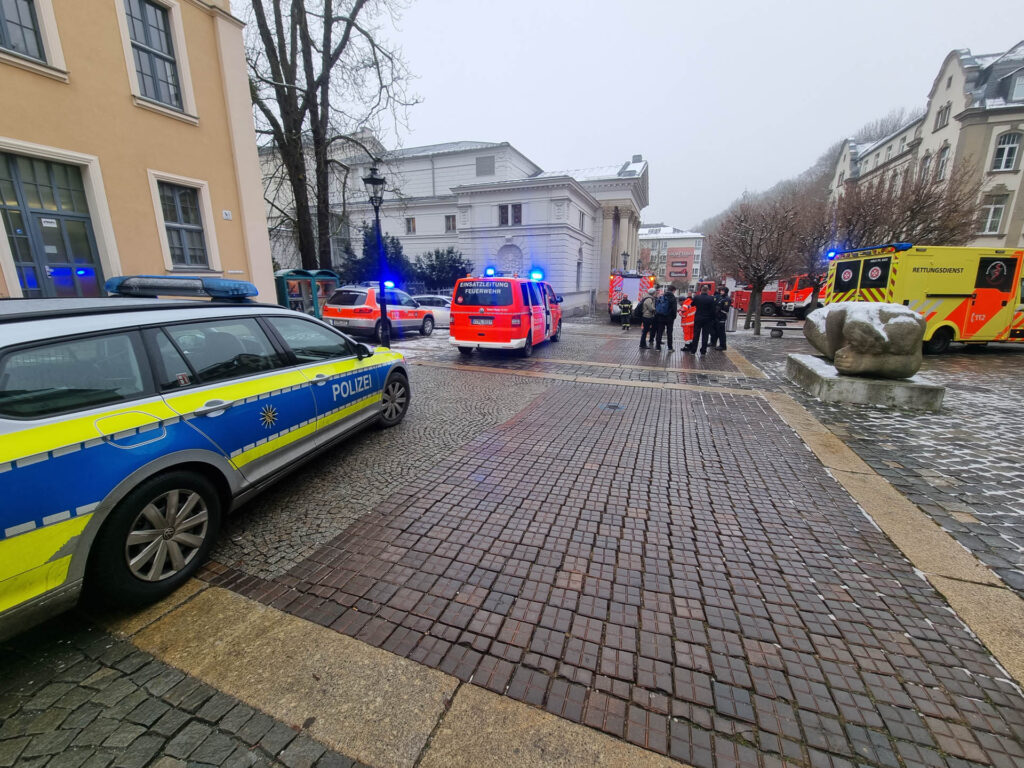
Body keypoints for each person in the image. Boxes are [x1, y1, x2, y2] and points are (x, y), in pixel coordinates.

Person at [684, 285, 716, 354]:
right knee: (705, 335)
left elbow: (692, 305)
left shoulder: (697, 297)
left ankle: (693, 350)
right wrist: (713, 319)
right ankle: (703, 351)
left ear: (701, 290)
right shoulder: (711, 298)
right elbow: (713, 310)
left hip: (698, 318)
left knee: (696, 335)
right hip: (707, 319)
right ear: (708, 291)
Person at [655, 284, 679, 350]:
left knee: (659, 332)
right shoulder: (673, 298)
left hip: (661, 317)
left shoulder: (662, 296)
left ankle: (658, 347)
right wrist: (674, 316)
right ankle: (670, 347)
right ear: (673, 290)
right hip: (669, 318)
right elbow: (674, 309)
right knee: (669, 333)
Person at [712, 286, 732, 351]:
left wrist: (719, 309)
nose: (721, 292)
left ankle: (723, 345)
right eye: (721, 291)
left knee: (721, 333)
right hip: (718, 316)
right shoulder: (721, 298)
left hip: (721, 317)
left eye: (722, 291)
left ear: (725, 291)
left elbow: (725, 308)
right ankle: (719, 344)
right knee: (718, 331)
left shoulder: (727, 299)